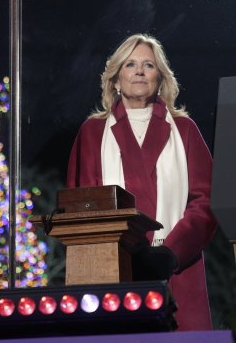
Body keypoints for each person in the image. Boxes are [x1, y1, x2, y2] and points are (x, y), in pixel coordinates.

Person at [66, 33, 218, 331]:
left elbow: (207, 202)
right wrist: (124, 250)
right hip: (114, 269)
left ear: (160, 78)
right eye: (130, 64)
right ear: (115, 78)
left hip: (176, 266)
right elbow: (80, 208)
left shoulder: (184, 129)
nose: (139, 71)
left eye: (148, 65)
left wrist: (170, 253)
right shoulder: (93, 132)